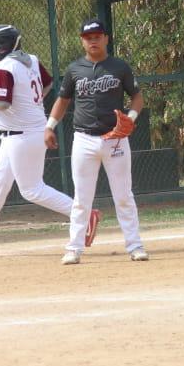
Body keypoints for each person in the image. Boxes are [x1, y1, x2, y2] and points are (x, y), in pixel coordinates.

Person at [0, 25, 76, 252]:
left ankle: (83, 214)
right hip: (21, 134)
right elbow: (47, 83)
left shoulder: (3, 69)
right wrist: (30, 101)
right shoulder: (31, 60)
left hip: (22, 136)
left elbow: (2, 103)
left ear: (5, 47)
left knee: (31, 190)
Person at [45, 18, 148, 264]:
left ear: (106, 39)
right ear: (82, 41)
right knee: (81, 198)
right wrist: (49, 126)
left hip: (115, 139)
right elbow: (63, 100)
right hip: (83, 139)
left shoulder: (119, 67)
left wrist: (131, 119)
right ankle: (74, 248)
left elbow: (137, 97)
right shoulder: (74, 69)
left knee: (123, 195)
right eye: (88, 37)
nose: (93, 40)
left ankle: (135, 245)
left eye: (97, 36)